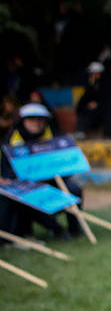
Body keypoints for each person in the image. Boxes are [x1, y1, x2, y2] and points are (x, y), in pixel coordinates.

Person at [1, 102, 84, 239]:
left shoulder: (54, 137)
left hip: (51, 181)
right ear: (23, 121)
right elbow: (7, 171)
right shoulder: (11, 142)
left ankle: (75, 229)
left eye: (40, 119)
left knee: (73, 189)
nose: (36, 123)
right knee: (26, 199)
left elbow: (66, 165)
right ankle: (54, 229)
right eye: (31, 119)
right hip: (23, 186)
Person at [74, 61, 108, 138]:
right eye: (92, 73)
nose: (93, 75)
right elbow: (86, 98)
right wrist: (90, 84)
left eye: (94, 73)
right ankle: (80, 132)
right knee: (82, 108)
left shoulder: (104, 84)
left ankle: (81, 131)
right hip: (91, 108)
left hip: (101, 109)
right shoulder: (90, 84)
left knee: (90, 112)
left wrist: (97, 104)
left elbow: (105, 99)